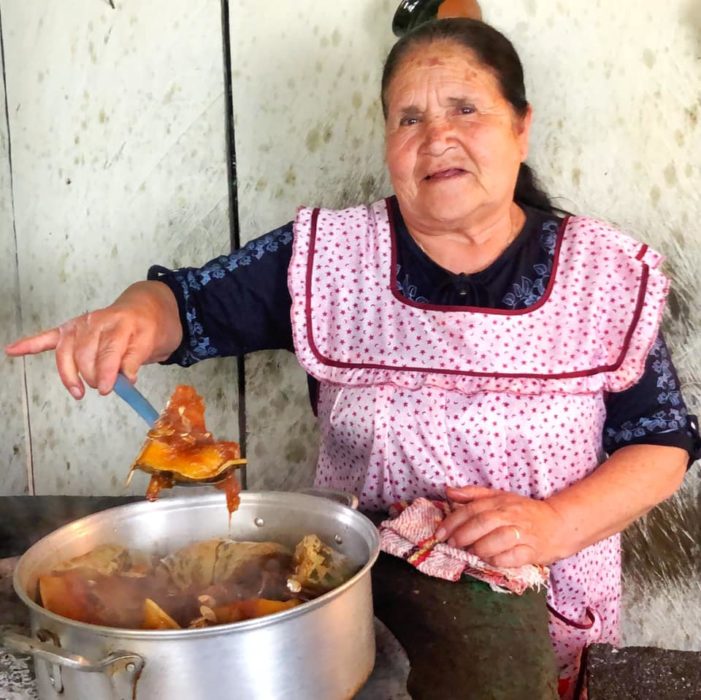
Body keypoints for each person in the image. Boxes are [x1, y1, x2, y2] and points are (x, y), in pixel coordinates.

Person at [6, 18, 699, 696]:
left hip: (539, 597)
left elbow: (660, 442)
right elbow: (184, 307)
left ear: (521, 126)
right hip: (353, 596)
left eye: (466, 108)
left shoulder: (604, 272)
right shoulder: (330, 255)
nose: (437, 138)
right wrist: (132, 318)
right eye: (408, 119)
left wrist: (553, 525)